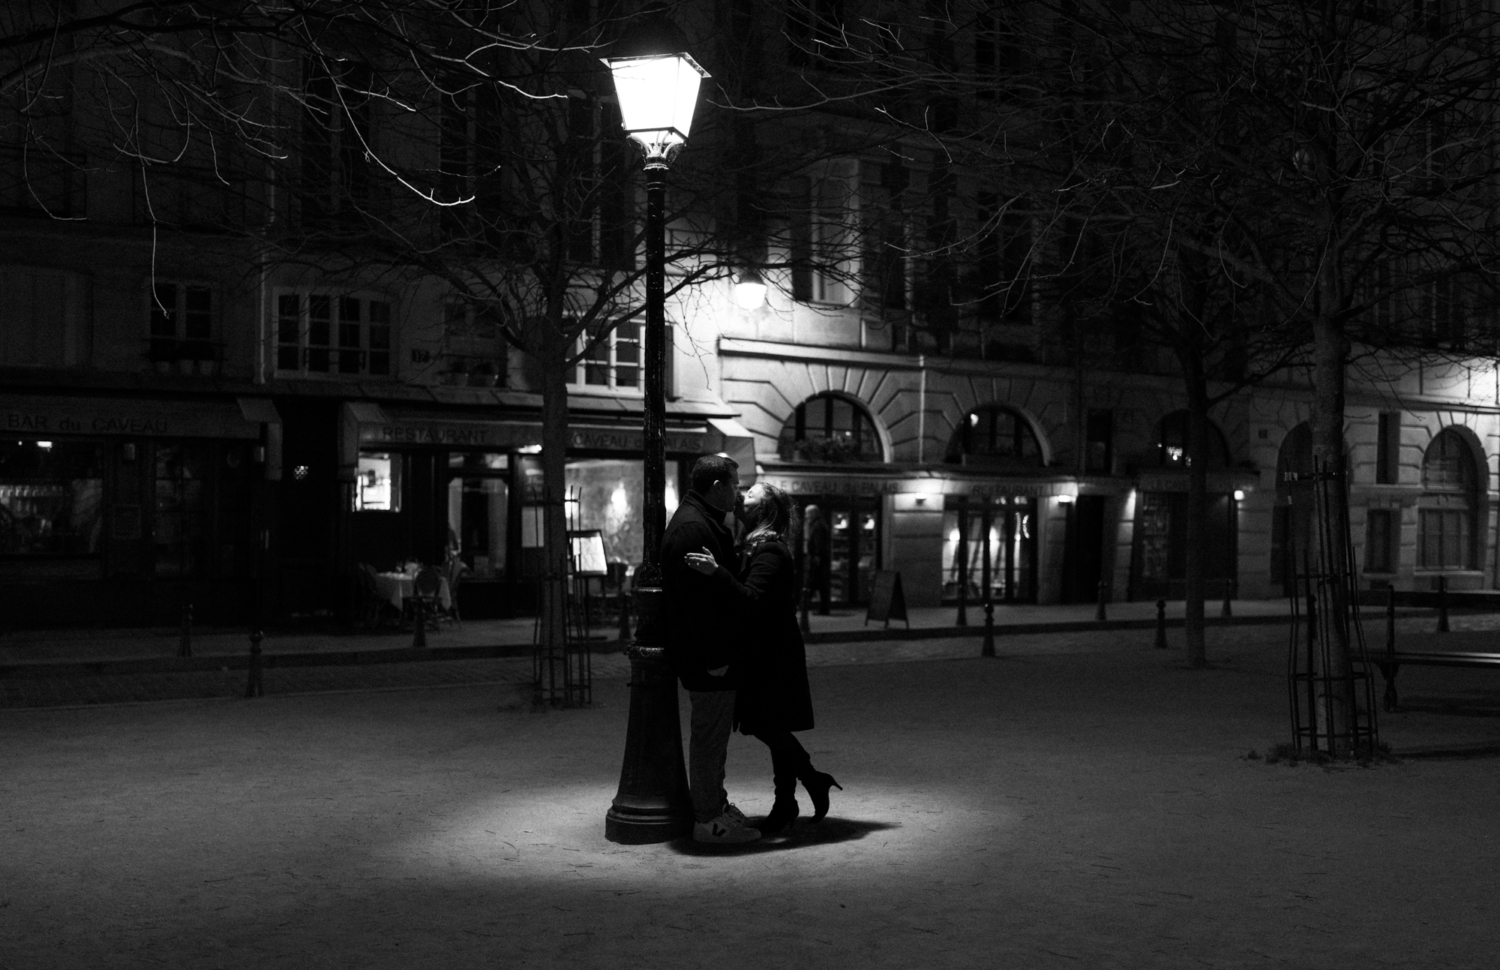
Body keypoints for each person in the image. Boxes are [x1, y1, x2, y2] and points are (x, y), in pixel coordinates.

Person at [686, 482, 841, 834]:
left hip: (772, 655)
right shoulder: (758, 546)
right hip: (768, 651)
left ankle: (811, 780)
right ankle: (785, 803)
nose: (741, 494)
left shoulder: (770, 550)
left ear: (764, 510)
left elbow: (751, 598)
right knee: (774, 724)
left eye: (751, 492)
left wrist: (716, 572)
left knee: (765, 724)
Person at [661, 454, 760, 844]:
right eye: (734, 485)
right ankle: (708, 820)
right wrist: (717, 658)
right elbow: (698, 608)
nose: (738, 495)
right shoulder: (693, 528)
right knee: (709, 738)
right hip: (707, 660)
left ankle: (714, 805)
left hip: (706, 655)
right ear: (717, 486)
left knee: (712, 736)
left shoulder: (697, 521)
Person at [804, 503, 831, 615]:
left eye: (808, 514)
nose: (806, 516)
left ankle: (805, 605)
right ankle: (819, 608)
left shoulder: (817, 525)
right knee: (819, 583)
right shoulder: (819, 524)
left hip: (818, 559)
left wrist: (817, 556)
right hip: (819, 558)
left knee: (814, 582)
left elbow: (818, 543)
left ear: (813, 514)